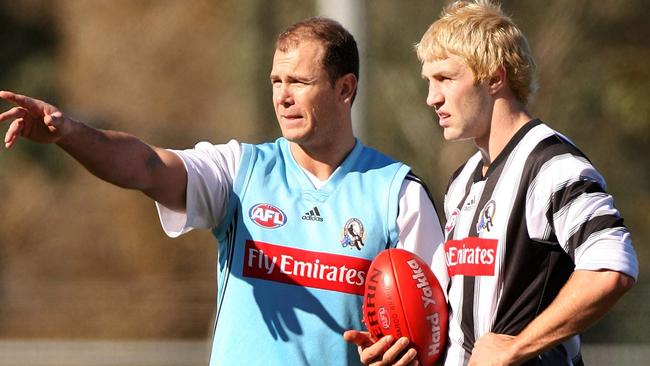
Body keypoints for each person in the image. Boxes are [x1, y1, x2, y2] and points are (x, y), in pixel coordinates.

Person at [0, 17, 445, 366]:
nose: (283, 97)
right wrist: (70, 134)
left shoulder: (397, 193)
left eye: (300, 83)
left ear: (345, 88)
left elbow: (434, 330)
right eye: (276, 81)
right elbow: (146, 166)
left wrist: (402, 354)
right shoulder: (240, 170)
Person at [345, 1, 639, 365]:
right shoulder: (463, 182)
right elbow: (452, 323)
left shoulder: (551, 165)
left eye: (446, 79)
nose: (432, 97)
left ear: (495, 78)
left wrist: (515, 347)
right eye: (429, 82)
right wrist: (403, 348)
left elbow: (611, 267)